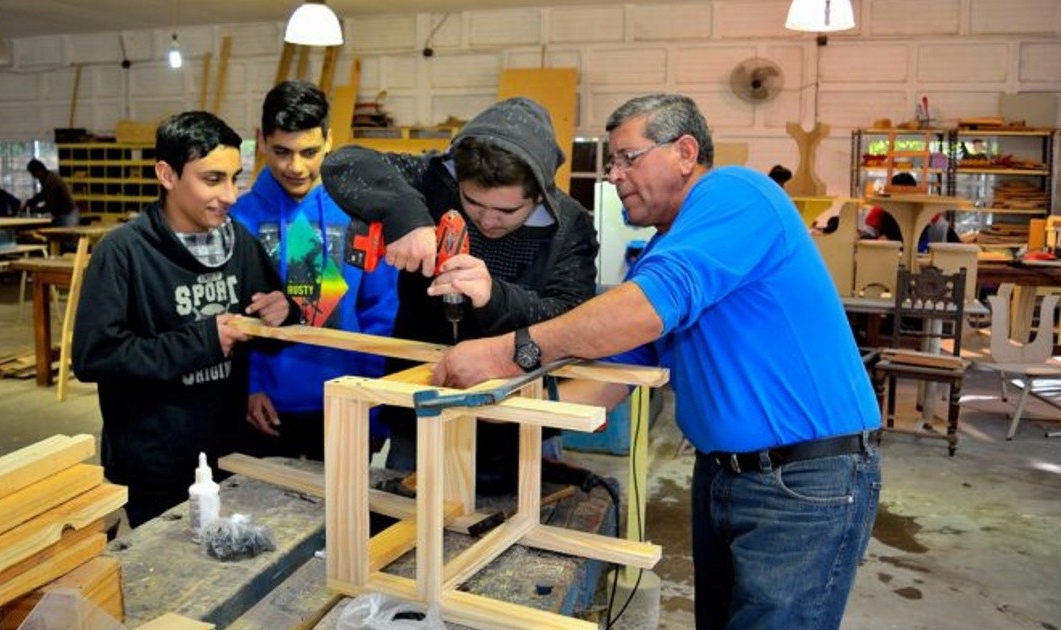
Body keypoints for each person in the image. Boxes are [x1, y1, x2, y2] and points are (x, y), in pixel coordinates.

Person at [432, 94, 881, 628]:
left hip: (804, 480)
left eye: (628, 158)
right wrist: (482, 406)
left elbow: (643, 311)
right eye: (609, 163)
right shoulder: (661, 254)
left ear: (685, 152)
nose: (614, 176)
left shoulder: (737, 194)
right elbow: (606, 385)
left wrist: (507, 351)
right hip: (724, 474)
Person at [322, 96, 599, 493]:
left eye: (507, 211)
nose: (487, 220)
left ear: (539, 194)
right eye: (473, 202)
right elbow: (343, 162)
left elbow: (571, 318)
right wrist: (407, 217)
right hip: (420, 412)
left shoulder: (569, 226)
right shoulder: (434, 179)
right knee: (404, 522)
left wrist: (495, 296)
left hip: (518, 422)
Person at [72, 110, 298, 527]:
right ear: (167, 174)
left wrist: (284, 312)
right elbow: (95, 356)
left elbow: (268, 328)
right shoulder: (123, 252)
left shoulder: (239, 244)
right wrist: (204, 341)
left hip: (228, 454)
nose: (231, 195)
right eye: (213, 179)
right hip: (156, 465)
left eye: (235, 177)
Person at [229, 81, 399, 460]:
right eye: (282, 152)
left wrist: (374, 403)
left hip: (347, 402)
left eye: (309, 151)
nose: (296, 167)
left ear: (329, 139)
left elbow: (380, 314)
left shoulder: (361, 215)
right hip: (267, 409)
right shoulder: (239, 220)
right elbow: (234, 318)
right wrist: (250, 387)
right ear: (261, 140)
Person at [24, 158, 80, 226]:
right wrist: (32, 201)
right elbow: (43, 194)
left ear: (39, 171)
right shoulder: (46, 178)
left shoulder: (51, 181)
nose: (34, 176)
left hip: (67, 213)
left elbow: (51, 204)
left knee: (65, 234)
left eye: (33, 173)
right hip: (62, 213)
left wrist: (35, 210)